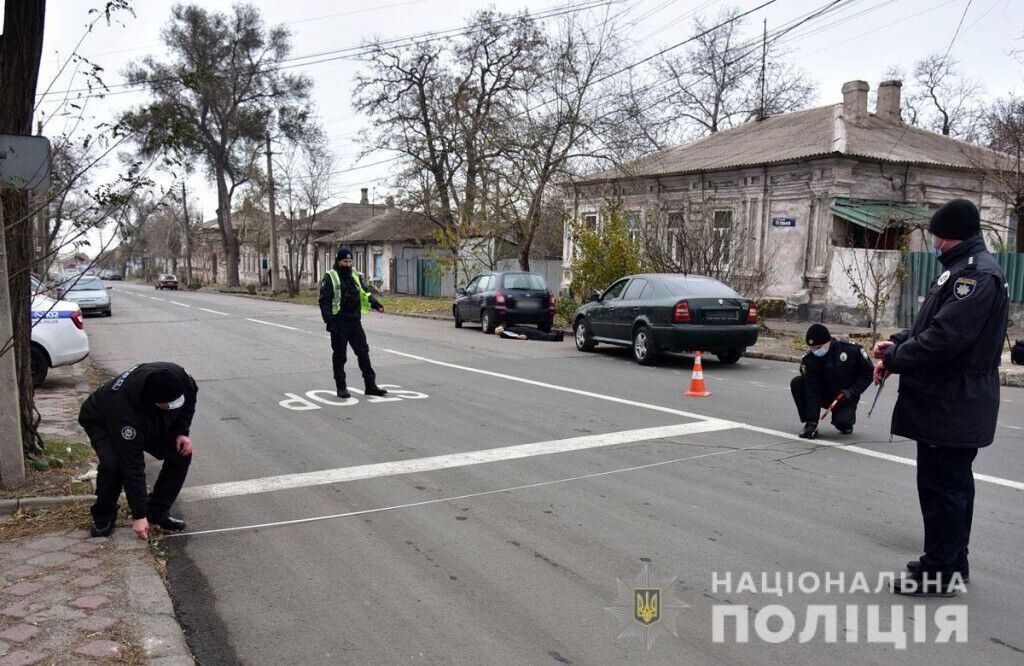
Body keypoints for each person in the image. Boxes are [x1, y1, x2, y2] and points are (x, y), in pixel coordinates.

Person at [873, 198, 1009, 597]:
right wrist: (898, 343)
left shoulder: (975, 277)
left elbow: (944, 340)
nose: (932, 242)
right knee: (951, 486)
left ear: (948, 236)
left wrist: (895, 358)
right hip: (949, 398)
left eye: (935, 235)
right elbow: (932, 325)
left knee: (942, 490)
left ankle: (940, 572)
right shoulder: (962, 270)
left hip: (952, 399)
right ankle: (950, 561)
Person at [77, 363, 197, 539]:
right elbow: (132, 466)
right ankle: (104, 515)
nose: (175, 406)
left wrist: (181, 432)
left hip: (147, 417)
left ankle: (157, 511)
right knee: (114, 465)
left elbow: (189, 402)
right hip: (101, 419)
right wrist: (139, 516)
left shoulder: (181, 379)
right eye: (169, 405)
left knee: (181, 452)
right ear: (154, 401)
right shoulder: (125, 411)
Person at [319, 247, 388, 399]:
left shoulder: (355, 274)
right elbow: (325, 302)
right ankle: (341, 387)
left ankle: (370, 386)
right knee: (340, 356)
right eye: (345, 261)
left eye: (350, 261)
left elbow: (365, 292)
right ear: (339, 262)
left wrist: (376, 304)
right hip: (339, 323)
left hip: (354, 321)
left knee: (363, 352)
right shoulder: (330, 277)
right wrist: (329, 321)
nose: (348, 264)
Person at [790, 324, 874, 438]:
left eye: (819, 347)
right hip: (823, 394)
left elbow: (869, 373)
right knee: (797, 383)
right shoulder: (809, 360)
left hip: (845, 396)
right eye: (812, 348)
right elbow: (812, 390)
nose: (815, 351)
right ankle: (810, 424)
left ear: (828, 341)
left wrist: (852, 391)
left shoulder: (850, 350)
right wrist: (813, 421)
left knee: (843, 423)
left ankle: (845, 423)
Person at [495, 325, 564, 342]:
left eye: (499, 328)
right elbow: (511, 336)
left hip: (524, 329)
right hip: (523, 333)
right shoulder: (503, 333)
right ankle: (557, 338)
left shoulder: (505, 327)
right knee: (539, 336)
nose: (500, 329)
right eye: (498, 330)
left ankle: (557, 336)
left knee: (539, 333)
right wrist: (519, 337)